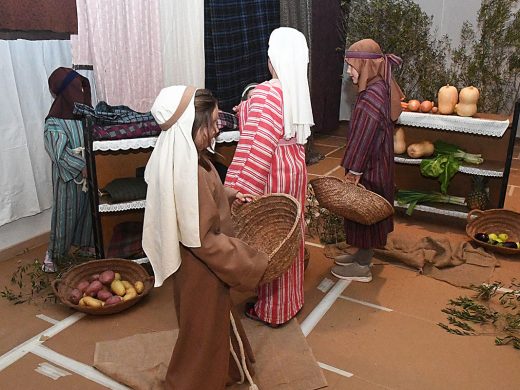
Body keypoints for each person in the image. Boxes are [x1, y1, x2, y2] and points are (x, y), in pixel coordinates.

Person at [142, 86, 269, 390]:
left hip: (196, 268)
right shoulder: (192, 171)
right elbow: (204, 240)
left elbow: (194, 202)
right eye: (211, 123)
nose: (217, 128)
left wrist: (227, 193)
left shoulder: (188, 159)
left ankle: (223, 371)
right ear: (191, 126)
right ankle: (189, 383)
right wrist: (251, 262)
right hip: (203, 270)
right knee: (201, 335)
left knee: (209, 326)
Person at [225, 27, 314, 327]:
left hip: (272, 169)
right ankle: (291, 300)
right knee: (289, 235)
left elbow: (257, 143)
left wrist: (237, 189)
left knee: (271, 238)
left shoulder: (267, 92)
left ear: (273, 57)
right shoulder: (296, 88)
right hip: (295, 168)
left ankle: (273, 308)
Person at [331, 39, 404, 282]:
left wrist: (354, 171)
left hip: (370, 166)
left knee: (364, 210)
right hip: (378, 161)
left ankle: (362, 266)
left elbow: (363, 138)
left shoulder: (371, 97)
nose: (349, 72)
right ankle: (362, 254)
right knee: (368, 213)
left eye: (352, 66)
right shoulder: (379, 86)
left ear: (366, 66)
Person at [42, 67, 94, 273]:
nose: (81, 93)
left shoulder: (82, 116)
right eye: (76, 88)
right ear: (67, 90)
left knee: (87, 211)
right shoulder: (54, 121)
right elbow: (58, 153)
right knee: (66, 214)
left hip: (88, 172)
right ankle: (54, 254)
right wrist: (82, 167)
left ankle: (84, 245)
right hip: (68, 177)